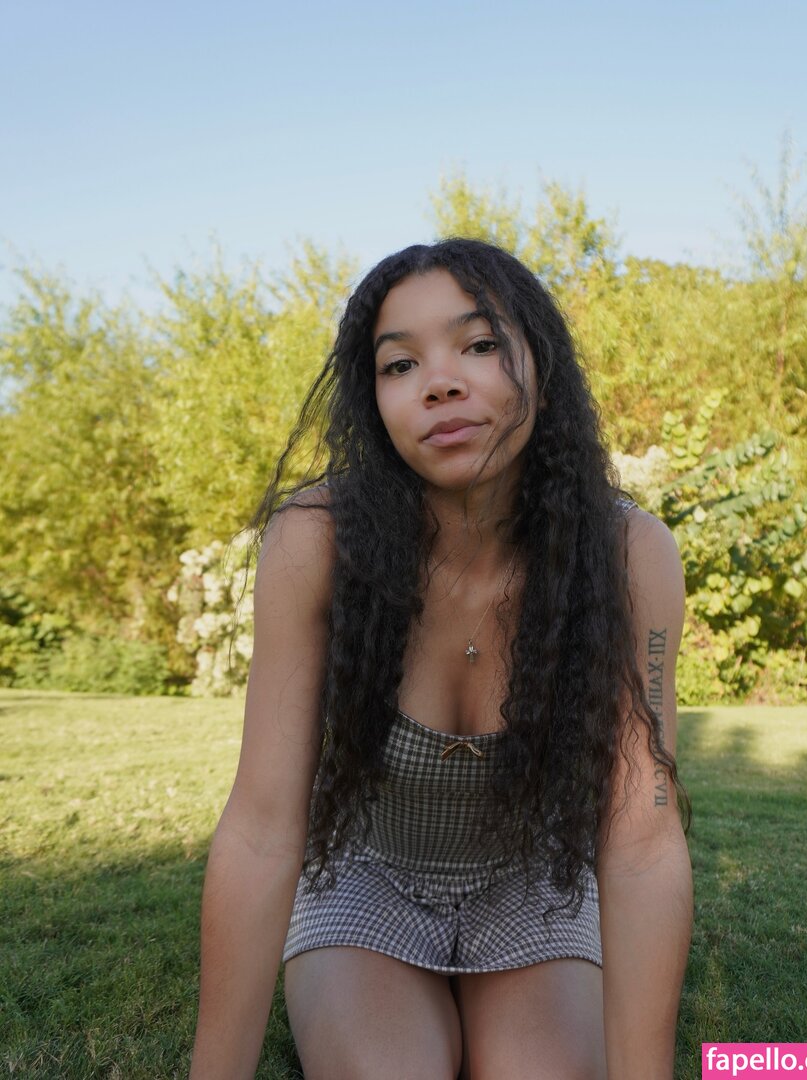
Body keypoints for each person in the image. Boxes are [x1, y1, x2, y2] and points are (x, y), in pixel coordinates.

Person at [189, 238, 693, 1080]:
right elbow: (262, 829)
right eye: (400, 364)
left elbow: (642, 839)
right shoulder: (318, 541)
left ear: (542, 367)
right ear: (375, 402)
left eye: (480, 344)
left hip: (535, 890)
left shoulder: (628, 552)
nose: (439, 382)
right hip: (365, 879)